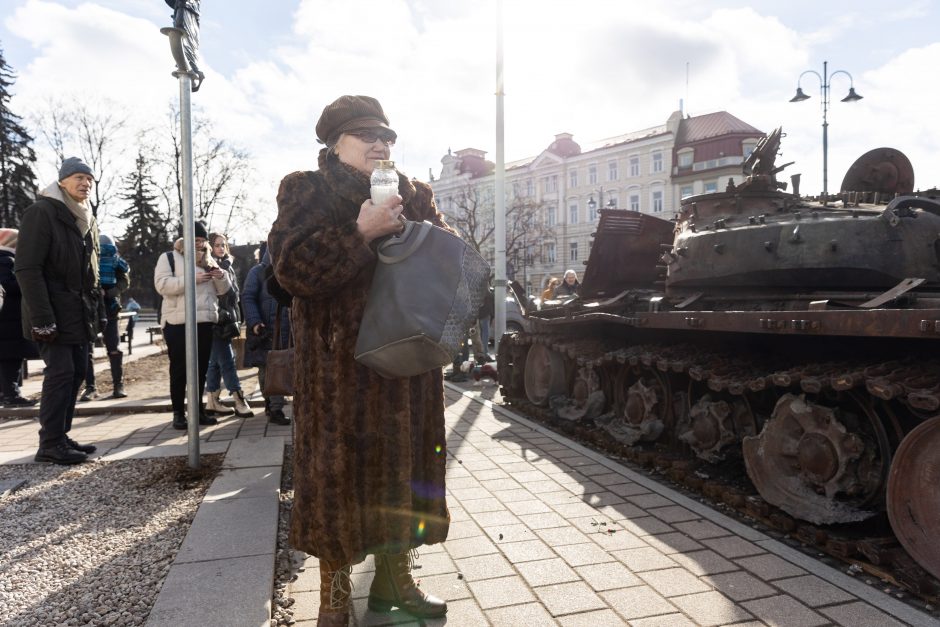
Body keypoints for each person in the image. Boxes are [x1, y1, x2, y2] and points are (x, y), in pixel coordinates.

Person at [268, 94, 449, 625]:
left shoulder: (415, 194)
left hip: (409, 365)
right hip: (338, 373)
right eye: (366, 134)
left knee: (408, 474)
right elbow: (291, 271)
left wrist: (434, 241)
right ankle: (335, 596)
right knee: (336, 482)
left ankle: (396, 584)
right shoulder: (307, 188)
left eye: (387, 136)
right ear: (333, 144)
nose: (380, 143)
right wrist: (360, 233)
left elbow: (444, 267)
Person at [14, 157, 101, 464]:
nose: (85, 183)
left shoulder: (86, 217)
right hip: (51, 312)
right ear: (62, 181)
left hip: (77, 312)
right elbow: (26, 268)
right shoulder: (42, 212)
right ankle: (49, 443)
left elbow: (90, 273)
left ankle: (60, 435)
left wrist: (96, 310)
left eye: (89, 179)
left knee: (77, 372)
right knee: (61, 373)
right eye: (79, 177)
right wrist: (43, 319)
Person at [154, 220, 232, 430]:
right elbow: (162, 285)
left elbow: (224, 290)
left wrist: (220, 276)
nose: (199, 244)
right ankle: (178, 413)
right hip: (177, 323)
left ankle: (197, 411)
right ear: (185, 239)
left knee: (200, 370)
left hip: (204, 322)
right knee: (179, 369)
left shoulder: (210, 259)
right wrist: (191, 279)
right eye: (195, 240)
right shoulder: (169, 258)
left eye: (202, 240)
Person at [204, 232, 253, 418]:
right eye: (217, 245)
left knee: (216, 363)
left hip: (227, 319)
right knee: (228, 361)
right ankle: (239, 400)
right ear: (210, 247)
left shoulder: (228, 266)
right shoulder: (209, 266)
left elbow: (234, 296)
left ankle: (212, 400)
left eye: (223, 245)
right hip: (217, 319)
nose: (221, 248)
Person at [241, 243, 290, 426]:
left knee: (282, 366)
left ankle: (275, 406)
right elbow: (247, 297)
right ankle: (272, 406)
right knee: (266, 368)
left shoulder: (290, 269)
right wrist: (254, 321)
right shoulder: (257, 272)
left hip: (287, 328)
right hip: (265, 329)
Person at [79, 234, 130, 401]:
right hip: (89, 306)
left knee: (113, 346)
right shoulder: (85, 257)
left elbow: (124, 282)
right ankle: (90, 387)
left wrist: (109, 293)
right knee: (87, 348)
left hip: (110, 307)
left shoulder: (116, 261)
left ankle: (118, 384)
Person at [0, 228, 39, 407]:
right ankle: (11, 395)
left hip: (8, 319)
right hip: (10, 320)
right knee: (12, 359)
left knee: (8, 359)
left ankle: (6, 393)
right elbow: (8, 286)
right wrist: (26, 281)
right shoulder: (6, 260)